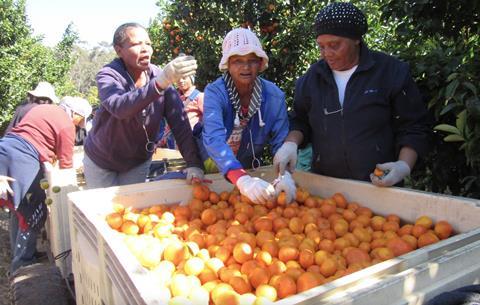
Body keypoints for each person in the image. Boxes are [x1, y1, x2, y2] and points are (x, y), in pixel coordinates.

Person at [273, 2, 430, 187]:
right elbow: (300, 120)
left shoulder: (390, 72)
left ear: (356, 39)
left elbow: (413, 126)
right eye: (321, 46)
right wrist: (290, 144)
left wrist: (403, 165)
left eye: (334, 45)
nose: (327, 54)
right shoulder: (313, 78)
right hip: (328, 188)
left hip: (378, 183)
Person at [83, 22, 204, 188]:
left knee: (133, 208)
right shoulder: (108, 75)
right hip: (102, 160)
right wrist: (160, 84)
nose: (145, 49)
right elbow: (120, 107)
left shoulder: (160, 76)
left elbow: (180, 124)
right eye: (136, 44)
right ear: (119, 50)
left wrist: (194, 164)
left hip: (137, 162)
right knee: (104, 211)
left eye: (148, 43)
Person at [202, 28, 295, 205]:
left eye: (252, 61)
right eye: (238, 61)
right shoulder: (215, 92)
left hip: (251, 173)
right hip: (212, 169)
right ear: (227, 64)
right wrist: (241, 179)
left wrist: (284, 174)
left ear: (260, 64)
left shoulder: (274, 97)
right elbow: (214, 139)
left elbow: (281, 141)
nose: (245, 67)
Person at [0, 97, 91, 272]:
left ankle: (22, 254)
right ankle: (22, 264)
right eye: (80, 120)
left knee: (18, 208)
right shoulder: (66, 125)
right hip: (22, 159)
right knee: (35, 211)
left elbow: (33, 136)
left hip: (5, 149)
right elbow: (66, 164)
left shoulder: (42, 110)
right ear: (74, 113)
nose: (80, 125)